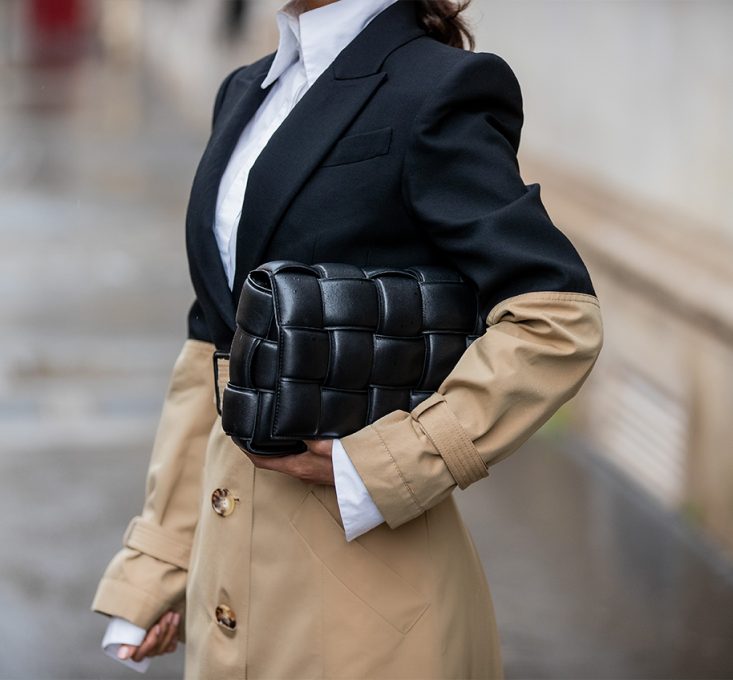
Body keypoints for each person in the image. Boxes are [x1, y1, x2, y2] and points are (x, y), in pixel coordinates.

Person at [91, 0, 603, 677]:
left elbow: (555, 317)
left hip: (369, 608)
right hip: (228, 587)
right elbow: (211, 355)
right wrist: (159, 562)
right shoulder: (246, 91)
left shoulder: (436, 88)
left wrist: (390, 462)